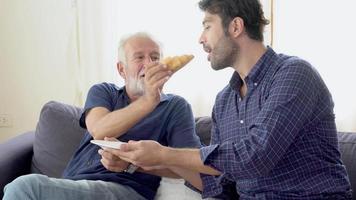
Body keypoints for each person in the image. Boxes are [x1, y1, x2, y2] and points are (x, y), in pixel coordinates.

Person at [106, 0, 353, 199]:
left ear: (235, 27)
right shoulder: (225, 101)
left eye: (207, 26)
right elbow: (217, 182)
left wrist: (164, 154)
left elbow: (255, 157)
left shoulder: (294, 74)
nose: (200, 39)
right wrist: (136, 163)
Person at [2, 32, 201, 200]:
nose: (149, 64)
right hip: (70, 185)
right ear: (121, 69)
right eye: (139, 57)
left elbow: (194, 170)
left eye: (155, 57)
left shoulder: (175, 106)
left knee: (24, 188)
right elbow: (99, 130)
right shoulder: (104, 92)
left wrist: (132, 166)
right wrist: (148, 100)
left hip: (125, 190)